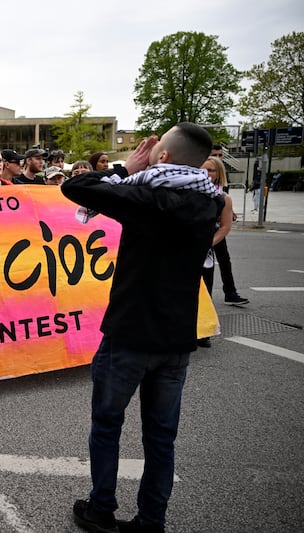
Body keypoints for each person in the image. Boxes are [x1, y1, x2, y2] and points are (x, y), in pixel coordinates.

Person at [62, 122, 224, 533]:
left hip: (130, 335)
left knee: (107, 425)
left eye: (155, 150)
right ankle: (152, 520)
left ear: (163, 156)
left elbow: (76, 188)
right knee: (161, 437)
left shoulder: (148, 197)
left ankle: (101, 509)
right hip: (176, 341)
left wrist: (123, 168)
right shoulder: (209, 202)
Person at [201, 156, 249, 307]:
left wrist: (209, 243)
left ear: (219, 173)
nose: (206, 173)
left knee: (223, 261)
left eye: (211, 170)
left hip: (211, 238)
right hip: (191, 243)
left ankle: (229, 293)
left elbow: (225, 227)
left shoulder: (224, 198)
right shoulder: (188, 191)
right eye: (203, 169)